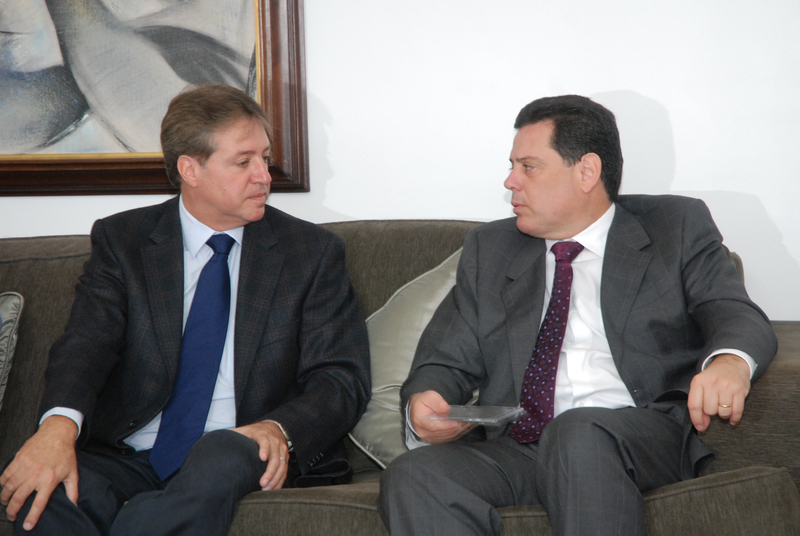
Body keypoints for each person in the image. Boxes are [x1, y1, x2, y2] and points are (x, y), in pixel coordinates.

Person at [377, 95, 777, 536]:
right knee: (416, 473)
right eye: (512, 166)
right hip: (522, 446)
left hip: (635, 436)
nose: (510, 181)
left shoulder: (674, 226)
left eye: (529, 167)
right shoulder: (491, 249)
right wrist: (426, 404)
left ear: (587, 171)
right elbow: (443, 361)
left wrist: (729, 363)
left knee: (578, 432)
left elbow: (732, 311)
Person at [0, 83, 371, 535]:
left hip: (242, 448)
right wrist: (57, 428)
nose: (264, 175)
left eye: (265, 157)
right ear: (190, 169)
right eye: (243, 162)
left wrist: (279, 428)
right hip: (131, 453)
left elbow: (341, 378)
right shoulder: (124, 241)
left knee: (221, 452)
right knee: (47, 490)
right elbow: (86, 344)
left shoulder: (310, 253)